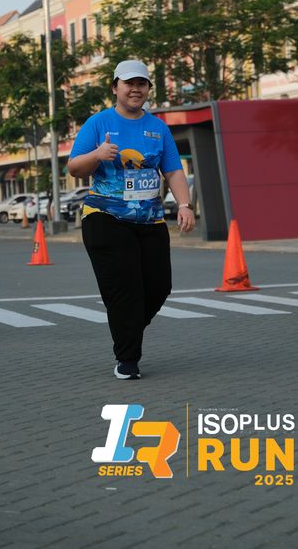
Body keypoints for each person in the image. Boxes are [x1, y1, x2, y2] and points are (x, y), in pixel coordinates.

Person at [68, 60, 195, 379]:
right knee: (124, 288)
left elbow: (173, 170)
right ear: (115, 88)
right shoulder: (98, 123)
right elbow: (74, 167)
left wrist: (184, 204)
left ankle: (127, 328)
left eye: (142, 84)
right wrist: (97, 155)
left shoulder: (158, 128)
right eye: (129, 83)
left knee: (160, 286)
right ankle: (127, 360)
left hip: (150, 220)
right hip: (105, 218)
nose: (136, 89)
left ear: (148, 89)